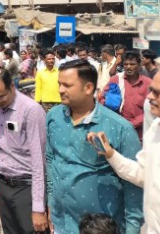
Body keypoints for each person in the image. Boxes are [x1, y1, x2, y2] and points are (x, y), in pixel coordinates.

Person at [46, 59, 143, 234]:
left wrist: (133, 229)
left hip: (101, 228)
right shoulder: (54, 117)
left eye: (67, 85)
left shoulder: (119, 128)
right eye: (59, 84)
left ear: (88, 88)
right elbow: (51, 160)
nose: (60, 90)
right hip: (62, 223)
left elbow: (134, 185)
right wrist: (51, 202)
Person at [90, 66, 160, 234]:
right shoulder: (156, 130)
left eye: (158, 93)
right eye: (151, 91)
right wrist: (111, 154)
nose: (150, 97)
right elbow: (143, 174)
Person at [0, 67, 49, 234]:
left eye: (2, 96)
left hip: (26, 187)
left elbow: (39, 161)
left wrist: (39, 207)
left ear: (12, 86)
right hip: (4, 184)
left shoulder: (31, 110)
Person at [100, 51, 151, 139]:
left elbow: (151, 110)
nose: (128, 67)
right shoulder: (116, 80)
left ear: (139, 65)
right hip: (116, 130)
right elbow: (101, 99)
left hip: (140, 134)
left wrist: (131, 124)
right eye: (126, 64)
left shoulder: (148, 84)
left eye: (132, 64)